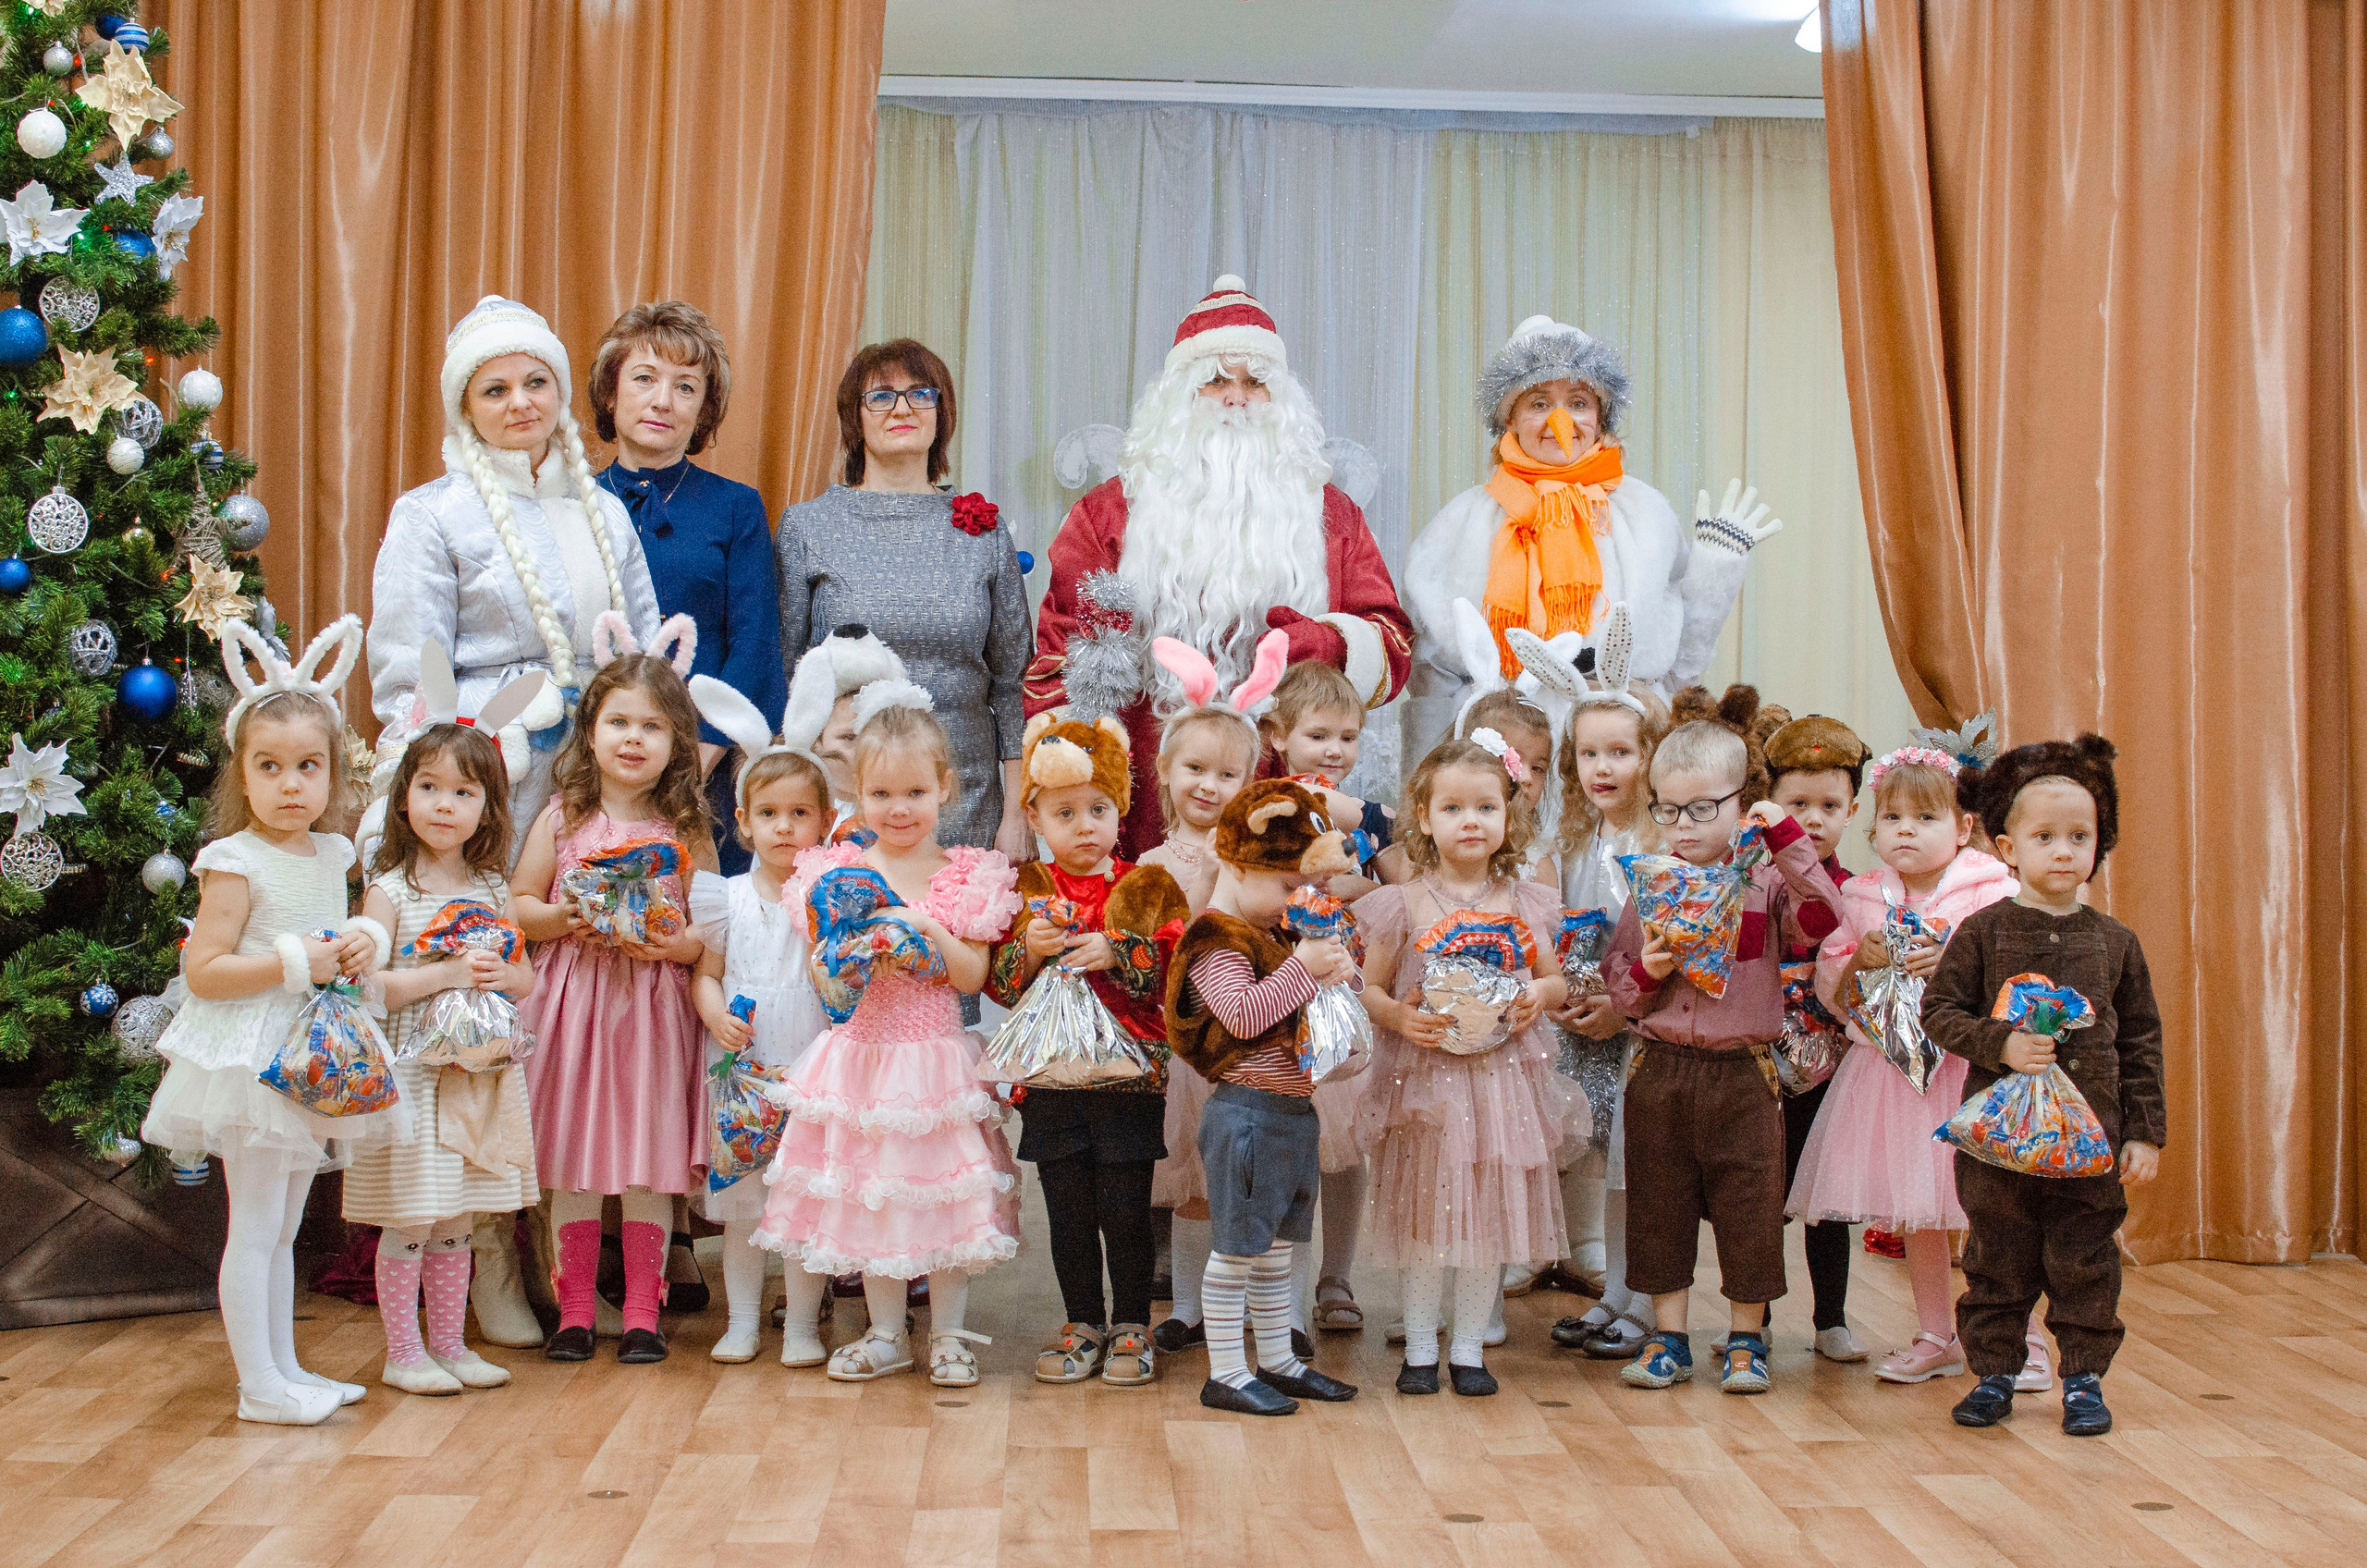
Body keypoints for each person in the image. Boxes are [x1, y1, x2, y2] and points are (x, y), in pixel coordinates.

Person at [1029, 276, 1414, 860]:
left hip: (1285, 796)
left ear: (1280, 402)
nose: (1236, 398)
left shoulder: (1332, 517)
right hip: (1138, 802)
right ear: (1180, 398)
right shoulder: (1110, 513)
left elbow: (1393, 647)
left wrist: (1328, 644)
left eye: (1254, 383)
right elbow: (1061, 658)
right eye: (1215, 381)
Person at [141, 619, 391, 1427]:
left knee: (284, 1223)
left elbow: (332, 947)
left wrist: (356, 946)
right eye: (270, 767)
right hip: (251, 1060)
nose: (291, 785)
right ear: (241, 775)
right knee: (253, 1224)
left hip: (308, 1056)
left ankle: (285, 1369)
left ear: (333, 774)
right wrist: (296, 963)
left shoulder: (331, 856)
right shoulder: (232, 861)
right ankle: (257, 1388)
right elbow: (204, 973)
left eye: (307, 767)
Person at [749, 691, 1024, 1390]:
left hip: (933, 1059)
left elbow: (971, 974)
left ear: (945, 789)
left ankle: (951, 1334)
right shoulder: (837, 877)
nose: (898, 809)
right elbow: (823, 969)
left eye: (914, 792)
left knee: (941, 1197)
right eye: (880, 793)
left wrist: (924, 928)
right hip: (860, 1060)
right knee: (872, 1193)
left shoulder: (962, 878)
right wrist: (844, 951)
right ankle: (884, 1332)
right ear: (857, 793)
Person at [1400, 314, 1780, 764]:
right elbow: (1431, 670)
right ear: (1510, 419)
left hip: (1620, 750)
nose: (1561, 421)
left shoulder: (1646, 513)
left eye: (1578, 401)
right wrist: (1430, 779)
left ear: (1600, 417)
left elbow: (1680, 658)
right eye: (1539, 402)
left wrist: (1717, 571)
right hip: (1505, 758)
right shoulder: (1461, 522)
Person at [1601, 687, 1841, 1395]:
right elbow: (1619, 987)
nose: (1683, 825)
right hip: (1659, 1070)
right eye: (1668, 809)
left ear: (1744, 802)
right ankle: (1669, 1339)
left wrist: (1788, 841)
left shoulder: (1766, 884)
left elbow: (1826, 924)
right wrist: (1650, 967)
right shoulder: (1651, 886)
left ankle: (1745, 1339)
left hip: (1745, 1075)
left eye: (1703, 808)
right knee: (1659, 1205)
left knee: (1750, 1207)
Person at [1926, 737, 2163, 1438]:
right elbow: (1940, 1011)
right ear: (2007, 847)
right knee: (1996, 1259)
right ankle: (1994, 1374)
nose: (2063, 851)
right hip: (1998, 1148)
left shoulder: (2117, 943)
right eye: (2045, 836)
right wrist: (2001, 1042)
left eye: (2079, 837)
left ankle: (2084, 1379)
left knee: (2085, 1262)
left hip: (2091, 1145)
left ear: (2100, 844)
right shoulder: (1982, 932)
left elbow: (2141, 1041)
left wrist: (2145, 1132)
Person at [369, 295, 663, 840]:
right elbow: (411, 673)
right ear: (467, 408)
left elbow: (642, 647)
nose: (521, 403)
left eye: (536, 382)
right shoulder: (431, 513)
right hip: (489, 770)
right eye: (495, 390)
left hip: (601, 773)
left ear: (560, 392)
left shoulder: (604, 511)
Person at [511, 619, 715, 1366]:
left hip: (653, 1010)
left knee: (646, 1160)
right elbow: (519, 905)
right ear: (590, 733)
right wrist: (566, 915)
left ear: (676, 743)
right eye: (618, 722)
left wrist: (676, 942)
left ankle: (641, 1308)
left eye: (652, 727)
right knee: (571, 1158)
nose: (634, 739)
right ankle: (573, 1310)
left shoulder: (684, 826)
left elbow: (712, 931)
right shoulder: (563, 817)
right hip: (574, 1007)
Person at [1785, 744, 2017, 1384]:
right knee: (1920, 1212)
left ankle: (2019, 1336)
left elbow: (2015, 978)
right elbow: (1830, 987)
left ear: (1964, 828)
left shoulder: (1993, 891)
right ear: (1874, 827)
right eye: (1892, 819)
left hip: (1966, 1076)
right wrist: (1861, 957)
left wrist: (1956, 964)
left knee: (1993, 1211)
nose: (1906, 831)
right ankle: (1935, 1334)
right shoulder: (1861, 898)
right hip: (1890, 1080)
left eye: (1926, 818)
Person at [1352, 732, 1571, 1397]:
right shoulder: (1403, 903)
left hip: (1501, 1087)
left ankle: (1470, 1348)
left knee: (1487, 1221)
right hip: (1422, 1085)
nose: (1469, 821)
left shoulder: (1525, 900)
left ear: (1509, 816)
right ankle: (1420, 1348)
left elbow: (1555, 981)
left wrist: (1537, 994)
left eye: (1484, 807)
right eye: (1452, 808)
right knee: (1424, 1219)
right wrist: (1396, 1016)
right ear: (1424, 818)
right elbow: (1370, 989)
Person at [345, 683, 541, 1396]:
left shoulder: (492, 888)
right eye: (429, 787)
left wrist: (500, 973)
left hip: (475, 1075)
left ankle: (452, 1345)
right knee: (414, 1212)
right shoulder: (390, 890)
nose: (444, 805)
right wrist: (451, 970)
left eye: (463, 792)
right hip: (413, 1071)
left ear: (487, 807)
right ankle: (404, 1353)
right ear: (403, 798)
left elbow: (526, 980)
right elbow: (378, 988)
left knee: (457, 1212)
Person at [983, 715, 1188, 1389]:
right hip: (1051, 1082)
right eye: (1065, 812)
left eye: (1098, 809)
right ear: (1035, 815)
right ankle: (1082, 1321)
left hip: (1129, 1079)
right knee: (1068, 1211)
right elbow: (1002, 985)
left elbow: (1175, 974)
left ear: (1121, 809)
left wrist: (1120, 949)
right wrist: (1027, 951)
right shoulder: (1024, 890)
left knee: (1126, 1208)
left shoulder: (1147, 886)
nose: (1084, 826)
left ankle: (1132, 1321)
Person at [776, 338, 1031, 860]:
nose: (903, 408)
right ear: (854, 419)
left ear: (942, 415)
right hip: (850, 802)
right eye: (882, 396)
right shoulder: (807, 527)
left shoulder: (984, 532)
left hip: (964, 797)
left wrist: (1016, 815)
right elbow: (785, 672)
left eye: (921, 394)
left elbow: (1012, 684)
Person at [1164, 778, 1363, 1415]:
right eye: (1284, 887)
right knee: (1238, 1248)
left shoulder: (1273, 934)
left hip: (1291, 1114)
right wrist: (1305, 967)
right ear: (1237, 863)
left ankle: (1276, 1359)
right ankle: (1226, 1370)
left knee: (1279, 1248)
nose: (1294, 903)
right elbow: (1244, 1017)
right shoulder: (1216, 937)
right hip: (1246, 1116)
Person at [1515, 619, 1669, 1356]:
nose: (1601, 768)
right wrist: (1579, 999)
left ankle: (1645, 1302)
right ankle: (1614, 1295)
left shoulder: (1661, 845)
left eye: (1620, 753)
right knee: (1605, 1159)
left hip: (1648, 1024)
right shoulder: (1577, 841)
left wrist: (1621, 1007)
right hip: (1588, 1021)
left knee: (1645, 1166)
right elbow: (1567, 930)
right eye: (1587, 754)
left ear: (1652, 757)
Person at [589, 301, 787, 876]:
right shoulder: (571, 501)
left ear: (703, 409)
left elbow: (754, 645)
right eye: (645, 379)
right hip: (592, 763)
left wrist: (692, 765)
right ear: (611, 393)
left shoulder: (736, 507)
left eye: (685, 387)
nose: (662, 401)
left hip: (706, 767)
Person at [683, 669, 838, 1365]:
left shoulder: (828, 899)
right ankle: (741, 1320)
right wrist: (715, 1017)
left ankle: (801, 1325)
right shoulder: (725, 898)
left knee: (802, 1203)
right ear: (742, 821)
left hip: (810, 1064)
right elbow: (706, 975)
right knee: (744, 1207)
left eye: (800, 813)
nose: (784, 826)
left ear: (826, 822)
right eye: (769, 813)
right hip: (742, 1073)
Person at [1136, 657, 1267, 1357]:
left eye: (1227, 775)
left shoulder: (1256, 858)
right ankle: (1186, 1306)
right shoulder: (1154, 861)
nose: (1208, 786)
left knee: (1244, 1179)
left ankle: (1249, 1303)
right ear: (1165, 770)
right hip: (1183, 1042)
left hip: (1249, 1038)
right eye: (1195, 769)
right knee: (1190, 1178)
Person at [1758, 711, 1872, 1363]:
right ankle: (1759, 1317)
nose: (1817, 818)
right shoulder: (1758, 884)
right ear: (1772, 804)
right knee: (1762, 1198)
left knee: (1827, 1202)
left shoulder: (1862, 893)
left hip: (1833, 1069)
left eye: (1832, 804)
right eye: (1799, 803)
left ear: (1854, 809)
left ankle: (1831, 1320)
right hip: (1762, 1060)